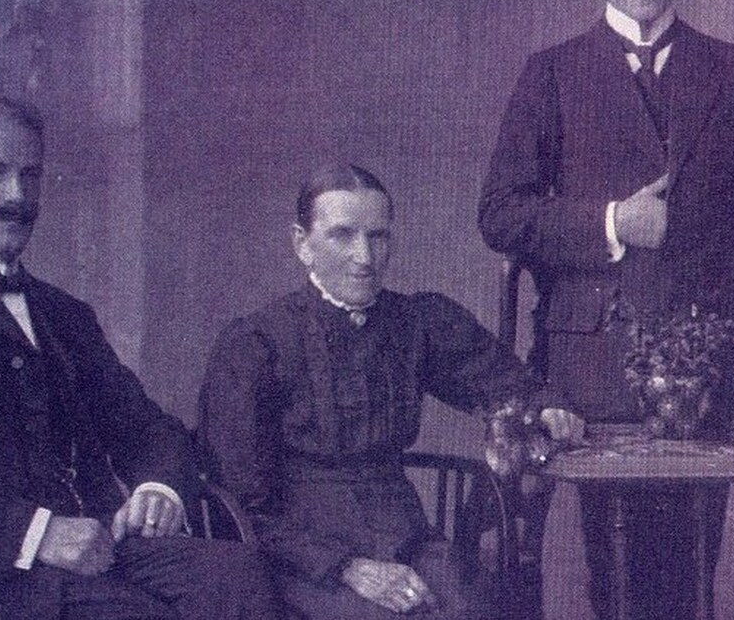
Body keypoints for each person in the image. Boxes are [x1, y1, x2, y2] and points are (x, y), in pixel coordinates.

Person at [478, 0, 734, 616]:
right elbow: (501, 214)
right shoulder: (551, 73)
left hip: (704, 358)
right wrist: (615, 222)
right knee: (608, 571)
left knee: (691, 572)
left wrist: (679, 228)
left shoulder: (733, 69)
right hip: (592, 365)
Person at [0, 99, 279, 620]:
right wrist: (38, 534)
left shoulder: (64, 315)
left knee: (235, 576)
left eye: (30, 176)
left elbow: (148, 428)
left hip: (94, 554)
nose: (16, 196)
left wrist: (158, 490)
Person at [198, 164, 584, 620]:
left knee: (475, 609)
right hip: (301, 558)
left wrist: (545, 408)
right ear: (302, 244)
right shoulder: (257, 343)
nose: (364, 257)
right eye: (342, 236)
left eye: (377, 236)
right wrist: (347, 568)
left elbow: (504, 382)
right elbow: (238, 494)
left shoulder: (416, 322)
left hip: (405, 535)